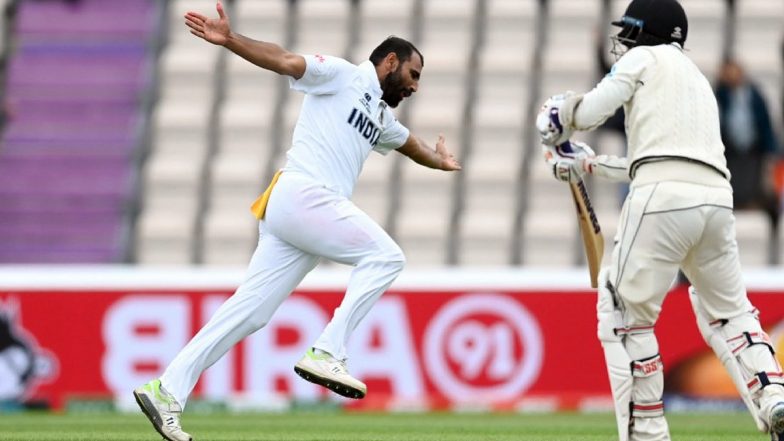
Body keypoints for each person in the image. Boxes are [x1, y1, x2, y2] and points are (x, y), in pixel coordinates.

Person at [132, 2, 461, 440]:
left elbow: (409, 144)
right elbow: (286, 60)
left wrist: (438, 162)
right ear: (390, 61)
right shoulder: (343, 74)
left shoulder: (381, 116)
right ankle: (328, 350)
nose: (416, 86)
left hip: (299, 216)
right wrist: (230, 39)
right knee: (386, 257)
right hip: (304, 193)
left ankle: (166, 390)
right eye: (414, 75)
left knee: (250, 312)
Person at [536, 1, 784, 440]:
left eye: (627, 32)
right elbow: (653, 160)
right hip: (714, 202)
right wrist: (590, 165)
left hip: (660, 200)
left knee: (624, 313)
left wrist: (558, 118)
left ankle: (647, 431)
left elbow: (591, 112)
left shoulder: (640, 58)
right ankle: (773, 395)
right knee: (729, 314)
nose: (622, 42)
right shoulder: (698, 82)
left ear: (641, 31)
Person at [715, 58, 781, 264]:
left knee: (754, 179)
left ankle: (751, 202)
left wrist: (772, 149)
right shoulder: (720, 95)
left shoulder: (754, 94)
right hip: (731, 150)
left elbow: (764, 122)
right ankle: (736, 203)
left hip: (753, 149)